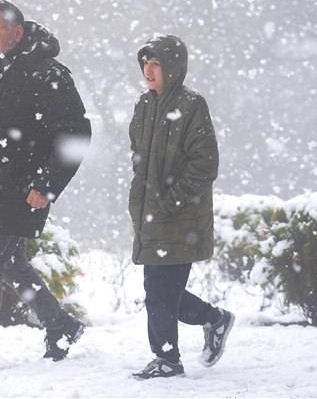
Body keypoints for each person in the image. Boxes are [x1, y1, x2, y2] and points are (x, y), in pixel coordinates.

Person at [0, 0, 92, 372]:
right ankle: (60, 324)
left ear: (17, 33)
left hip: (22, 188)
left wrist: (46, 184)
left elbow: (75, 134)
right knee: (12, 264)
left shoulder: (46, 73)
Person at [128, 34, 234, 379]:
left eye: (156, 63)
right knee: (159, 291)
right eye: (145, 63)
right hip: (150, 215)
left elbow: (205, 163)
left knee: (160, 293)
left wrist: (172, 199)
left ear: (172, 67)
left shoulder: (191, 105)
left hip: (180, 218)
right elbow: (138, 155)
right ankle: (215, 319)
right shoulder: (144, 106)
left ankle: (168, 359)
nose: (149, 70)